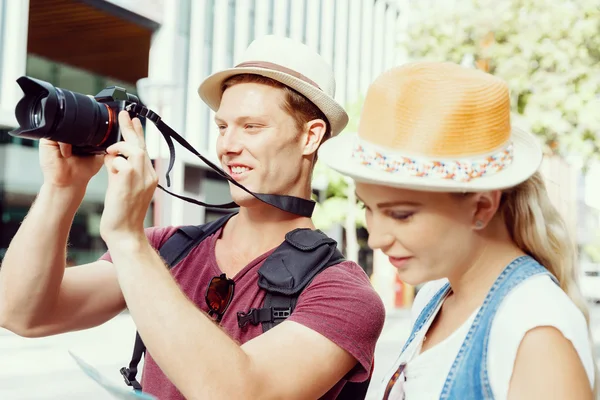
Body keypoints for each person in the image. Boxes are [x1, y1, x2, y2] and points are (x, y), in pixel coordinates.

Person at [0, 35, 385, 399]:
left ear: (310, 137)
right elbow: (22, 312)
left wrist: (128, 239)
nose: (228, 146)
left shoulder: (343, 293)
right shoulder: (169, 248)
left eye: (251, 127)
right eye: (222, 127)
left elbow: (239, 392)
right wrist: (62, 189)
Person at [318, 61, 596, 399]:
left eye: (402, 215)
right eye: (368, 207)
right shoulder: (434, 297)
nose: (376, 238)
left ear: (481, 206)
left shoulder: (535, 330)